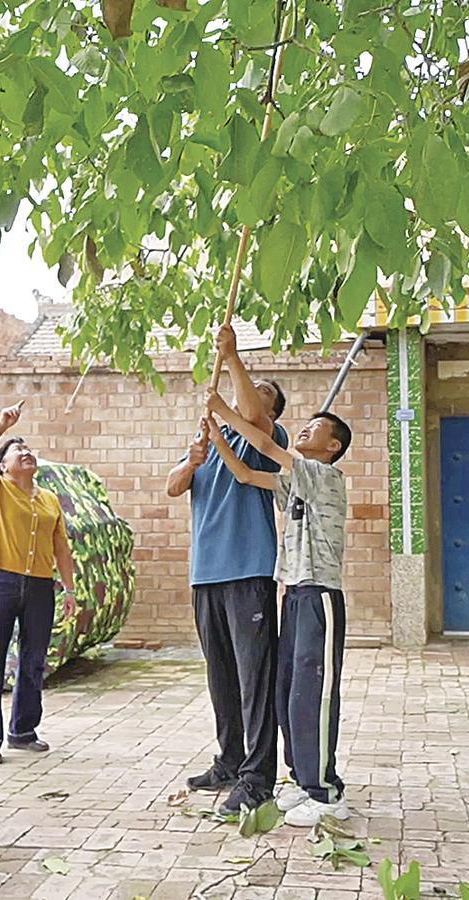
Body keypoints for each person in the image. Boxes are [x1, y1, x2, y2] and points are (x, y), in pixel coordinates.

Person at [204, 389, 354, 826]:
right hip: (294, 595)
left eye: (317, 427)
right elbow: (247, 474)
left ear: (333, 446)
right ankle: (303, 781)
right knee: (289, 693)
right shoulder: (299, 481)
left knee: (313, 697)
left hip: (320, 596)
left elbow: (267, 446)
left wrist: (225, 411)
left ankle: (326, 792)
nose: (306, 428)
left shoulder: (325, 476)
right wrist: (217, 436)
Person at [166, 324, 289, 816]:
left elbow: (253, 416)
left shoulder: (265, 438)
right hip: (206, 574)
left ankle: (257, 778)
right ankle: (230, 759)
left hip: (248, 571)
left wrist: (233, 357)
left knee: (254, 677)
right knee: (221, 676)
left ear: (273, 413)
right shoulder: (208, 439)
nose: (251, 392)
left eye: (262, 392)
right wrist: (192, 461)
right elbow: (173, 486)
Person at [0, 399, 77, 765]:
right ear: (3, 466)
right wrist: (2, 426)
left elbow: (61, 547)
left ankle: (23, 731)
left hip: (41, 585)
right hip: (0, 582)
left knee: (33, 661)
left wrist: (70, 589)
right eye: (18, 450)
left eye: (28, 449)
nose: (26, 453)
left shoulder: (49, 500)